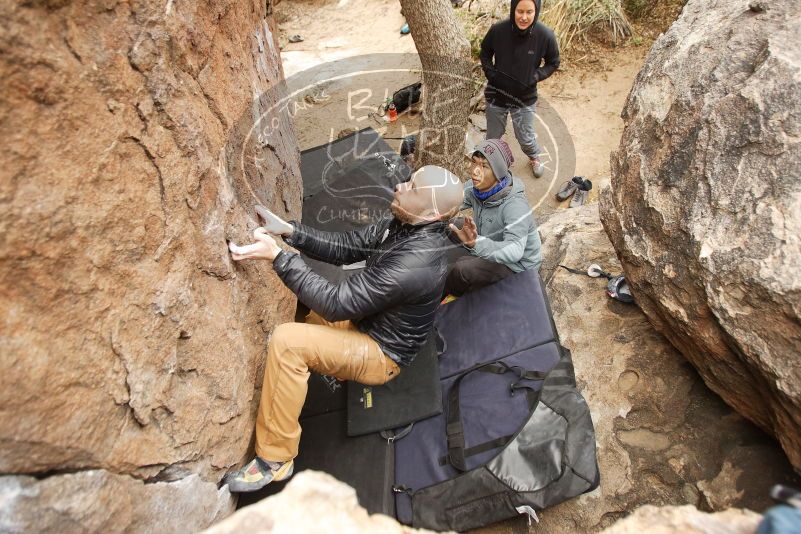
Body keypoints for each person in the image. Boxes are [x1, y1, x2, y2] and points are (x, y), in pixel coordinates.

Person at [223, 165, 463, 492]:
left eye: (412, 187)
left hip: (381, 352)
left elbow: (337, 303)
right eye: (409, 180)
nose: (400, 186)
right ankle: (320, 371)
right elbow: (347, 246)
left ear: (433, 214)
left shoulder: (417, 262)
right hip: (365, 323)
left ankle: (275, 460)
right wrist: (290, 232)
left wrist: (278, 257)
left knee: (288, 342)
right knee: (307, 309)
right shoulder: (405, 222)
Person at [445, 139, 541, 297]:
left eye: (484, 166)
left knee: (462, 269)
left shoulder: (515, 206)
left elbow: (515, 251)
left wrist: (476, 243)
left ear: (498, 173)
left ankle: (451, 297)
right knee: (450, 225)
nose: (475, 171)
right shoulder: (476, 186)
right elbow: (452, 201)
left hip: (517, 267)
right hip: (489, 240)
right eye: (474, 162)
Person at [480, 0, 560, 178]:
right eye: (520, 11)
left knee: (525, 137)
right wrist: (492, 75)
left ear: (536, 11)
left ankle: (534, 156)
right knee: (493, 135)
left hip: (524, 97)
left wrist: (535, 76)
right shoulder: (498, 30)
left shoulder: (545, 35)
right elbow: (485, 52)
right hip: (496, 94)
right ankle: (491, 160)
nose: (524, 17)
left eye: (529, 12)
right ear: (513, 9)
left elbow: (553, 62)